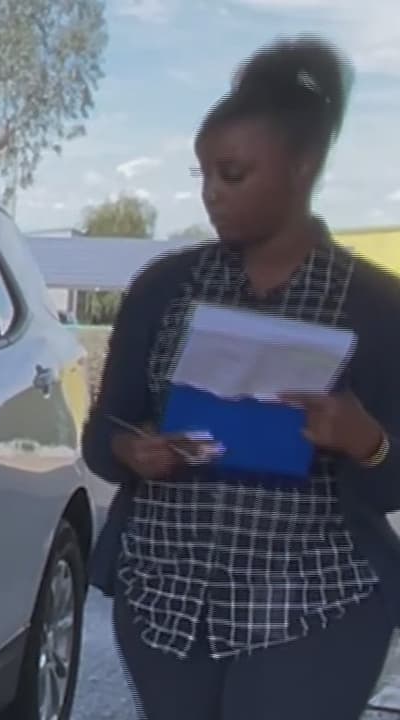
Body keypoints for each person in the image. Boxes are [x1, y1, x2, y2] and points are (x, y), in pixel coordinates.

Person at [83, 36, 400, 720]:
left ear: (301, 167)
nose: (212, 195)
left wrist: (365, 441)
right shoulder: (164, 290)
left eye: (232, 175)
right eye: (204, 175)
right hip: (168, 604)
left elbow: (395, 480)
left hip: (315, 604)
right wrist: (130, 449)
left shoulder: (377, 307)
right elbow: (102, 434)